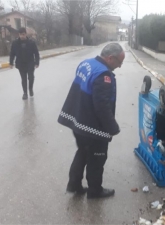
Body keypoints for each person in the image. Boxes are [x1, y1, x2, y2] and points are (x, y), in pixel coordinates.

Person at [58, 43, 125, 199]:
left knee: (82, 152)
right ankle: (95, 191)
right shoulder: (104, 75)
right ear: (110, 58)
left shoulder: (87, 63)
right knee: (97, 157)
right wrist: (112, 127)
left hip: (78, 120)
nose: (120, 66)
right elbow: (101, 105)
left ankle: (74, 185)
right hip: (92, 126)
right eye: (119, 62)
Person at [9, 27, 40, 100]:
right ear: (18, 34)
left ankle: (30, 88)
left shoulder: (31, 42)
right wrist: (11, 62)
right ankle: (25, 93)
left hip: (30, 63)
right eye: (20, 34)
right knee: (23, 79)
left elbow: (36, 53)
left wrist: (37, 62)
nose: (22, 36)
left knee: (31, 77)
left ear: (25, 34)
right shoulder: (15, 43)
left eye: (23, 34)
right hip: (20, 64)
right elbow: (12, 53)